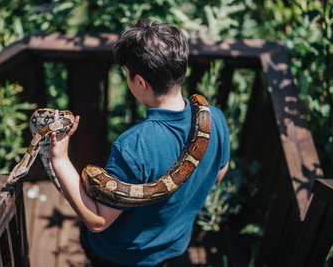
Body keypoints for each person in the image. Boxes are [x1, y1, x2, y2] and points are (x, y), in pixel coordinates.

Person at [49, 19, 230, 266]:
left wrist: (59, 158)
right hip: (174, 245)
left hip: (121, 256)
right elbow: (218, 174)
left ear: (140, 82)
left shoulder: (134, 146)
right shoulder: (216, 119)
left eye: (127, 75)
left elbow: (97, 220)